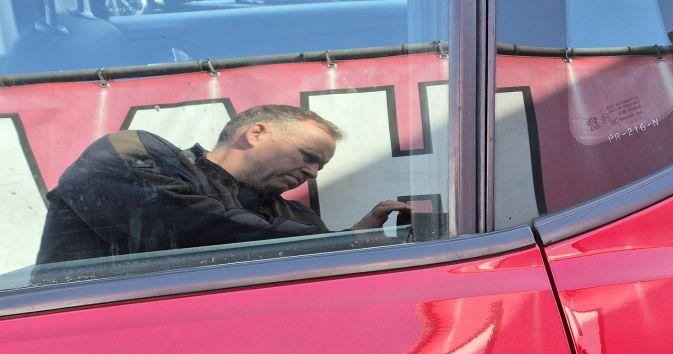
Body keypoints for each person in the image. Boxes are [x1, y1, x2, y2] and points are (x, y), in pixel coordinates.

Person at [35, 104, 410, 267]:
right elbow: (183, 227)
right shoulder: (131, 151)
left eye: (320, 166)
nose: (313, 173)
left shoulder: (296, 218)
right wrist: (342, 243)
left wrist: (350, 243)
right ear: (256, 133)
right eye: (308, 156)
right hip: (88, 353)